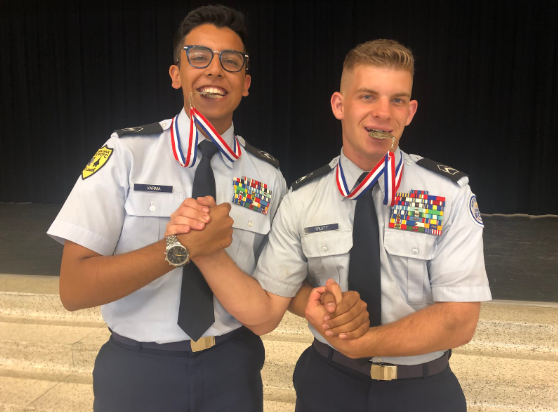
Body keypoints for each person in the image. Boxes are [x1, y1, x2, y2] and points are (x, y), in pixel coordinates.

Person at [180, 39, 492, 411]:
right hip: (328, 385)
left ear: (410, 112)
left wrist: (365, 343)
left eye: (396, 100)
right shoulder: (301, 199)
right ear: (339, 105)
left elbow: (460, 321)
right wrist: (313, 304)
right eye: (367, 97)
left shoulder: (448, 194)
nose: (382, 113)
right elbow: (270, 301)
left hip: (422, 391)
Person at [47, 5, 296, 411]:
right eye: (198, 57)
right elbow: (73, 288)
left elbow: (272, 294)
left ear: (246, 83)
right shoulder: (127, 154)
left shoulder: (268, 177)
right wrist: (180, 249)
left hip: (232, 370)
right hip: (138, 371)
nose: (215, 70)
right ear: (176, 74)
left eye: (230, 62)